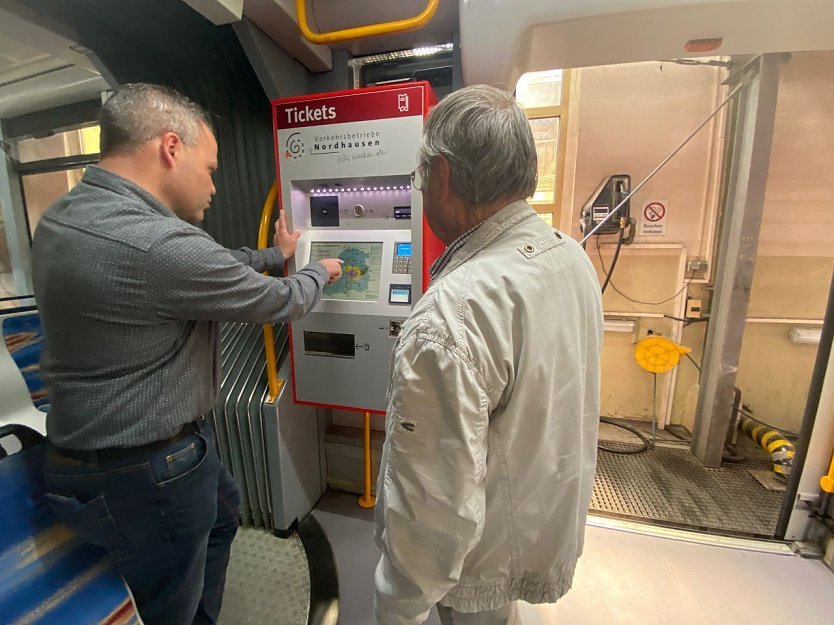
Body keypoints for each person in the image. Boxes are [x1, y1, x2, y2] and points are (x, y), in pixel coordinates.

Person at [31, 83, 342, 625]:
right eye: (212, 167)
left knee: (222, 519)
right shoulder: (159, 245)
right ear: (171, 148)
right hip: (149, 470)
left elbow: (207, 262)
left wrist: (275, 252)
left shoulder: (66, 216)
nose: (214, 186)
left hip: (83, 455)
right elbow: (282, 301)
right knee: (166, 604)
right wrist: (322, 269)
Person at [373, 85, 603, 625]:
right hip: (527, 522)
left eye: (420, 175)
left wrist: (397, 608)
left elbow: (432, 502)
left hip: (472, 563)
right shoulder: (570, 257)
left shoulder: (454, 312)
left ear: (444, 175)